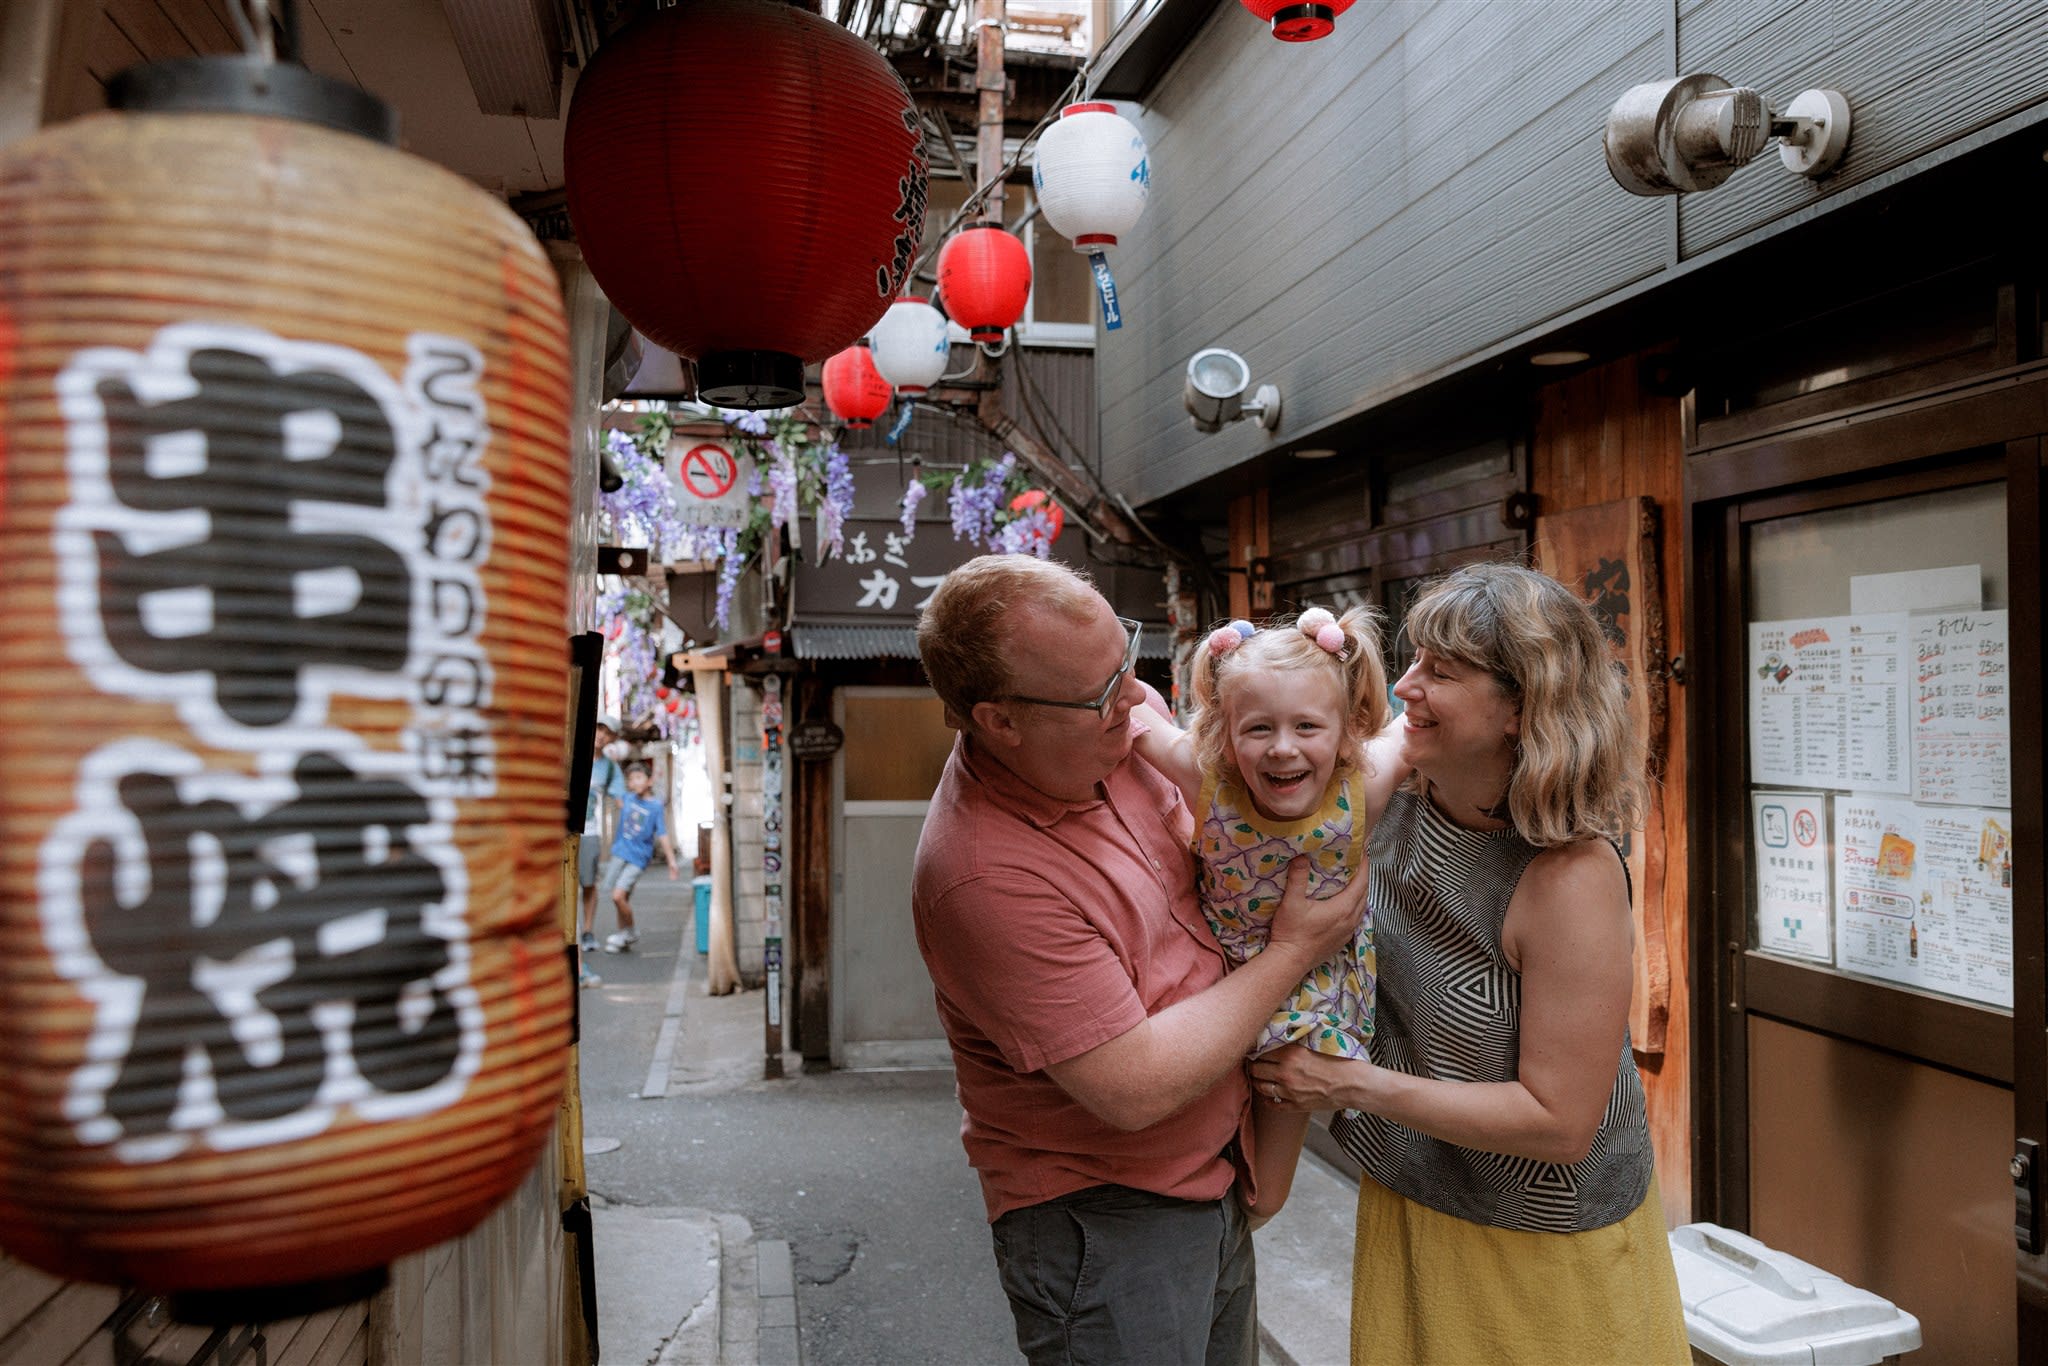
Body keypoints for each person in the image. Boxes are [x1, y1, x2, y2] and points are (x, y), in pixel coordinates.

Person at [911, 554, 1370, 1366]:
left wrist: (1308, 675)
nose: (1132, 695)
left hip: (1216, 1174)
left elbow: (1256, 787)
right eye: (1100, 692)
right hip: (1104, 1218)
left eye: (1126, 658)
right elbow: (1134, 1086)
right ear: (1000, 720)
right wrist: (1298, 947)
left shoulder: (1118, 724)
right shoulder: (982, 875)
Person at [1249, 562, 1690, 1365]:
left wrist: (1347, 1084)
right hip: (1413, 1191)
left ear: (1524, 705)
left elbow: (1560, 1124)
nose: (1408, 687)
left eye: (1441, 672)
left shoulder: (1569, 875)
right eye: (1413, 660)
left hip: (1541, 1248)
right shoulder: (1398, 792)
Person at [1129, 606, 1401, 1219]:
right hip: (1210, 992)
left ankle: (1225, 1246)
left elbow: (1420, 729)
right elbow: (1134, 716)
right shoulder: (1208, 782)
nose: (1283, 749)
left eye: (1307, 725)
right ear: (1224, 733)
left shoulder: (1366, 785)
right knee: (1190, 1149)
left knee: (1265, 1197)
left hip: (1305, 1011)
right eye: (1257, 729)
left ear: (1347, 729)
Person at [600, 762, 679, 953]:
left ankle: (631, 931)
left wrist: (671, 861)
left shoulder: (655, 806)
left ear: (650, 781)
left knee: (617, 896)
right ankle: (622, 935)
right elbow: (611, 786)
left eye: (639, 777)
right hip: (620, 853)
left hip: (638, 858)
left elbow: (662, 833)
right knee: (621, 897)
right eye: (631, 779)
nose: (634, 782)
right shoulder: (626, 799)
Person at [579, 715, 627, 975]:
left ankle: (587, 931)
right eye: (598, 729)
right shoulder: (571, 753)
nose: (600, 736)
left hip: (590, 831)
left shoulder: (609, 768)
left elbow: (622, 799)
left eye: (607, 733)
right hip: (560, 829)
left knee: (588, 884)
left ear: (612, 739)